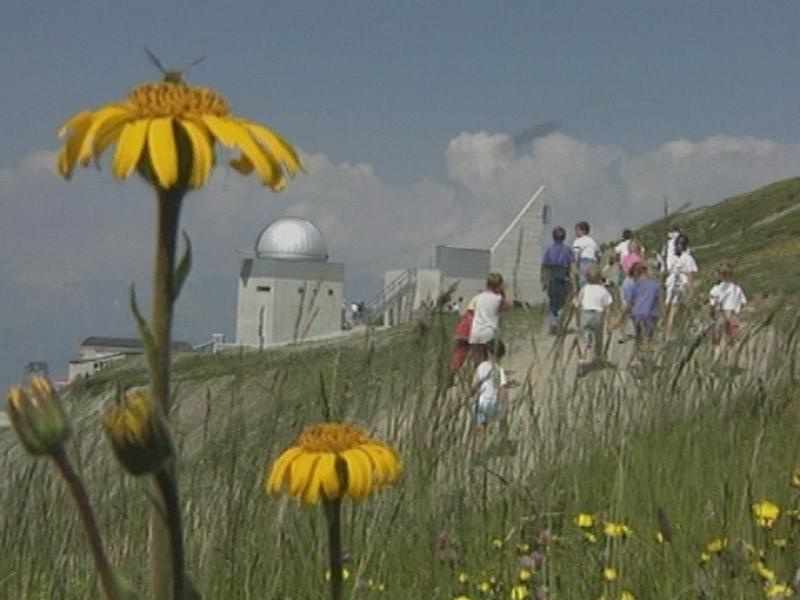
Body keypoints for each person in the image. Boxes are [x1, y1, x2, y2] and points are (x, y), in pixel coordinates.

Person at [613, 262, 662, 366]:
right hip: (651, 314)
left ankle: (639, 357)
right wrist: (664, 315)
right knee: (648, 337)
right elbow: (660, 300)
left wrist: (620, 319)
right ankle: (645, 359)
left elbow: (628, 304)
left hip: (637, 315)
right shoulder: (655, 284)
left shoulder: (633, 286)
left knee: (639, 337)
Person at [573, 264, 613, 374]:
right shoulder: (603, 290)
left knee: (584, 339)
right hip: (598, 315)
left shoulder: (584, 289)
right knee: (598, 336)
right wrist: (609, 323)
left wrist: (576, 307)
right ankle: (598, 357)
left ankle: (581, 362)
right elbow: (607, 307)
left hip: (585, 314)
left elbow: (577, 303)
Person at [468, 272, 513, 363]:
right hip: (489, 333)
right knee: (494, 359)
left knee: (479, 362)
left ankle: (478, 375)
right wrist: (503, 292)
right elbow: (509, 306)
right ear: (500, 285)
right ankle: (493, 373)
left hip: (475, 333)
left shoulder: (478, 297)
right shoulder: (498, 299)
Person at [708, 262, 747, 356]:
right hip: (734, 316)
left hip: (721, 315)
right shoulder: (737, 288)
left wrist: (712, 313)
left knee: (717, 338)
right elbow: (743, 302)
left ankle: (717, 356)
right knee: (730, 339)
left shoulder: (716, 289)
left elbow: (712, 303)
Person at [541, 226, 574, 335]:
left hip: (552, 277)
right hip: (563, 277)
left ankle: (552, 325)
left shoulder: (549, 250)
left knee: (552, 303)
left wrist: (544, 280)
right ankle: (559, 323)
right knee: (562, 303)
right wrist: (572, 280)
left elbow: (545, 266)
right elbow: (571, 265)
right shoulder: (567, 250)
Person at [664, 234, 698, 339]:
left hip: (672, 284)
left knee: (672, 308)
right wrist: (691, 290)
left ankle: (669, 331)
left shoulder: (673, 258)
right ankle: (672, 332)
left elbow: (669, 270)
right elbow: (690, 274)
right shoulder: (688, 258)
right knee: (677, 309)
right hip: (681, 284)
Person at [471, 339, 509, 426]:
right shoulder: (499, 370)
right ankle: (504, 436)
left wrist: (473, 394)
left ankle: (482, 435)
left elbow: (474, 385)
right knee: (503, 418)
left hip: (481, 402)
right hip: (493, 403)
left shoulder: (480, 366)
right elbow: (503, 389)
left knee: (481, 419)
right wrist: (505, 405)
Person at [447, 296, 477, 383]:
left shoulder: (467, 314)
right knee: (477, 354)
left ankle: (451, 372)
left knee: (459, 354)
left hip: (460, 334)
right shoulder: (476, 315)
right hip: (468, 335)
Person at [572, 221, 600, 287]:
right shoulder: (592, 241)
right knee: (591, 280)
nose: (575, 232)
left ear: (583, 231)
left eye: (577, 230)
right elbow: (598, 254)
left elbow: (576, 254)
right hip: (592, 262)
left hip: (583, 262)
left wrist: (575, 266)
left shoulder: (578, 241)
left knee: (583, 281)